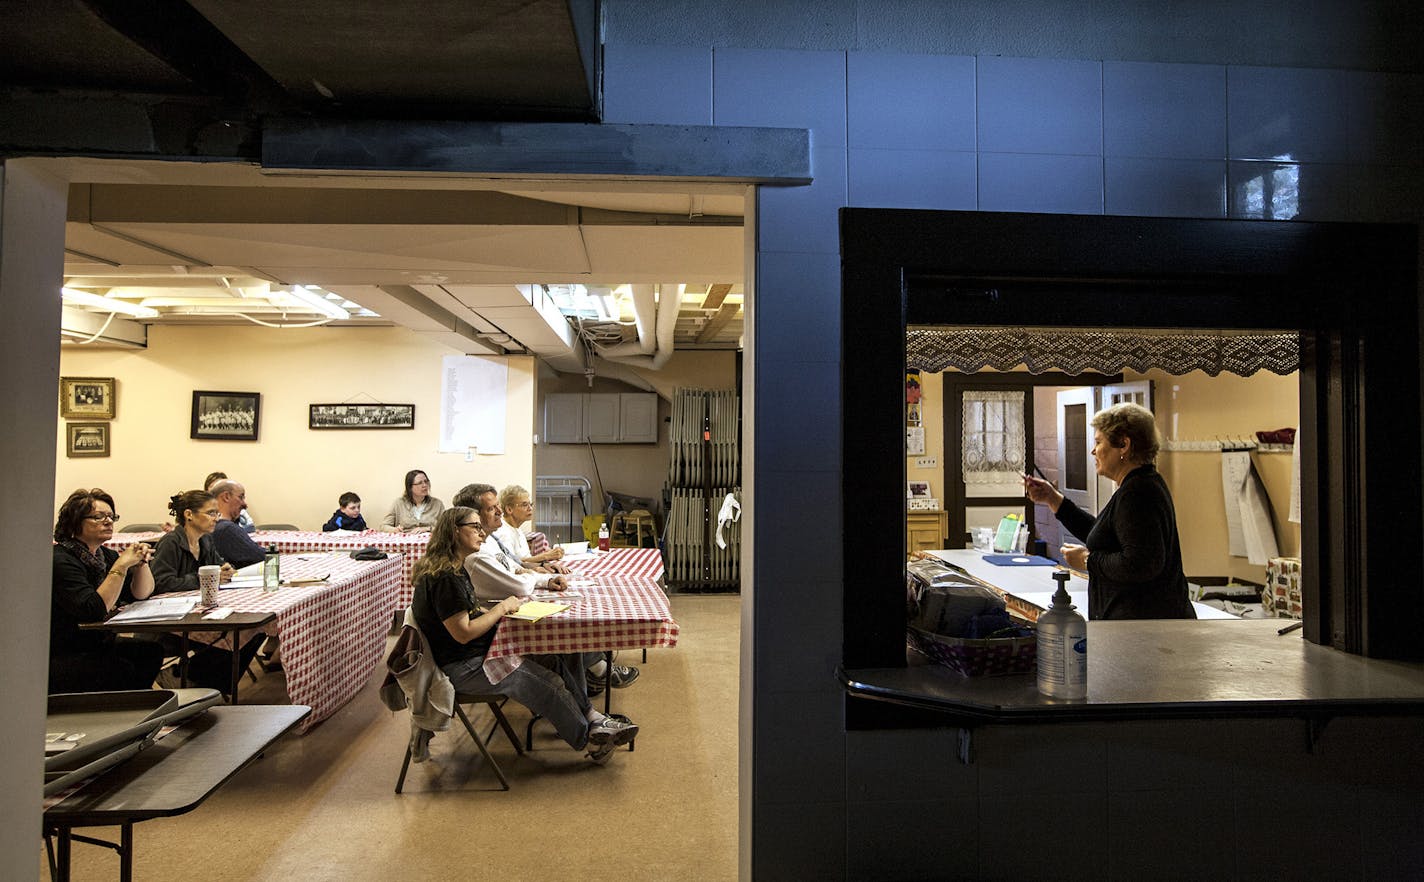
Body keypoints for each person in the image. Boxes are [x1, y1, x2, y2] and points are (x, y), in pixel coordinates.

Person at [409, 508, 638, 764]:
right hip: (464, 666)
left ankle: (591, 716)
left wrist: (500, 611)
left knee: (554, 659)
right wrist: (501, 608)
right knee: (549, 684)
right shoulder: (445, 578)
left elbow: (467, 612)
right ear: (454, 532)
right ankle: (591, 739)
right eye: (474, 527)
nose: (481, 532)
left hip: (478, 654)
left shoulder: (454, 569)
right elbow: (463, 633)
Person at [454, 482, 640, 693]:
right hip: (503, 622)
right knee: (566, 628)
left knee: (570, 615)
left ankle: (590, 682)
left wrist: (540, 575)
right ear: (475, 517)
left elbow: (516, 567)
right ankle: (591, 682)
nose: (498, 512)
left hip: (510, 604)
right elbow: (518, 582)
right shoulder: (479, 552)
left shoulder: (492, 540)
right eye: (491, 508)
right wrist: (537, 570)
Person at [1022, 402, 1196, 620]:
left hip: (1145, 629)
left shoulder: (1138, 492)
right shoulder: (1137, 485)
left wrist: (1087, 560)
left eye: (1098, 442)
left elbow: (1141, 563)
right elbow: (1102, 536)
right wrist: (1052, 498)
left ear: (1123, 444)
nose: (1093, 450)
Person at [49, 488, 167, 692]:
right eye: (98, 517)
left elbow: (140, 593)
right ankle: (112, 713)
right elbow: (93, 609)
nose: (108, 521)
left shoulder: (105, 555)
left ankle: (131, 711)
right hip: (66, 650)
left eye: (111, 516)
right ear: (75, 521)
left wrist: (141, 564)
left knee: (151, 652)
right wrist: (121, 566)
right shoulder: (61, 559)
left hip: (97, 641)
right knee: (123, 668)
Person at [148, 489, 266, 691]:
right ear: (189, 515)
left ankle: (206, 683)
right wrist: (204, 579)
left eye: (217, 514)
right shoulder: (171, 543)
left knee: (255, 629)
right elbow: (160, 583)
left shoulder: (205, 540)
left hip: (199, 612)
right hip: (168, 622)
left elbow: (218, 567)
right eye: (211, 513)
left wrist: (226, 570)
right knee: (236, 632)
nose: (216, 519)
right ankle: (191, 678)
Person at [496, 484, 569, 573]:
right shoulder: (503, 532)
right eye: (524, 505)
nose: (530, 508)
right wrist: (546, 556)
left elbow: (525, 560)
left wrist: (545, 564)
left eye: (530, 504)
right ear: (509, 509)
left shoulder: (517, 530)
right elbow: (513, 563)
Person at [209, 479, 267, 568]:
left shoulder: (211, 525)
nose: (245, 504)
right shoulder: (227, 529)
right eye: (241, 497)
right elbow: (263, 557)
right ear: (226, 497)